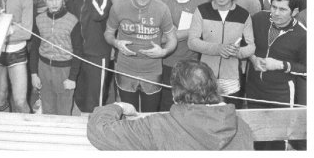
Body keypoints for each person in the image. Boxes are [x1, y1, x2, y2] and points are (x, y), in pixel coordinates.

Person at [87, 60, 254, 150]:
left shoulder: (158, 127)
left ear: (175, 95)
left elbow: (100, 131)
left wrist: (119, 106)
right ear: (215, 88)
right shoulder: (241, 127)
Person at [104, 0, 177, 113]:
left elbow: (172, 39)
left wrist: (163, 52)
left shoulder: (162, 9)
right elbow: (108, 33)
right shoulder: (118, 7)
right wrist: (116, 43)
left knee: (149, 115)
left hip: (152, 71)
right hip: (125, 69)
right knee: (129, 114)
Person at [246, 0, 307, 150]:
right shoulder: (258, 18)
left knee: (277, 143)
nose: (276, 13)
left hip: (280, 96)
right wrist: (252, 58)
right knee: (256, 140)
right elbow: (244, 43)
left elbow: (307, 68)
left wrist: (280, 65)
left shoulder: (303, 35)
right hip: (254, 92)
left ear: (294, 12)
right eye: (274, 7)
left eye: (282, 9)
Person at [188, 0, 255, 107]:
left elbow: (251, 46)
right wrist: (218, 48)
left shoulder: (243, 15)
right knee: (205, 115)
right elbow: (192, 42)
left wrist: (238, 52)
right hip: (204, 76)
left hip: (232, 79)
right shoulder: (201, 11)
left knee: (230, 115)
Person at [29, 0, 82, 115]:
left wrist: (72, 78)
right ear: (45, 0)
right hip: (44, 68)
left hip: (64, 70)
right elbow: (34, 48)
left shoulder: (72, 21)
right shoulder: (39, 19)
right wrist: (34, 73)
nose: (54, 3)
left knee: (64, 109)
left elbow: (78, 51)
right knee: (47, 107)